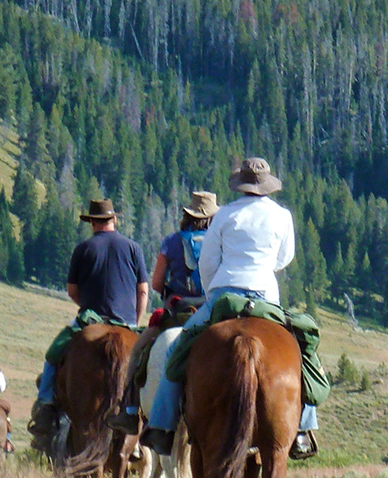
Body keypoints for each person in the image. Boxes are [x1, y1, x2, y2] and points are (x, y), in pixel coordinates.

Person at [140, 156, 318, 459]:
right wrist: (262, 267)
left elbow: (208, 262)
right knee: (303, 352)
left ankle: (161, 426)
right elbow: (284, 258)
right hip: (266, 295)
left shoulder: (224, 215)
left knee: (177, 350)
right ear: (267, 184)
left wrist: (214, 291)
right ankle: (302, 430)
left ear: (241, 184)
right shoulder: (282, 215)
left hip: (224, 292)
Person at [28, 199, 150, 451]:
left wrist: (86, 304)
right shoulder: (133, 248)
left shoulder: (83, 248)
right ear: (114, 220)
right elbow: (143, 291)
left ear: (92, 222)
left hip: (91, 319)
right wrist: (133, 322)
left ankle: (46, 407)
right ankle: (152, 421)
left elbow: (72, 289)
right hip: (127, 322)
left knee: (52, 356)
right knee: (149, 366)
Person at [108, 190, 218, 434]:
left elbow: (156, 283)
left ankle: (129, 411)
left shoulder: (171, 242)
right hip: (213, 310)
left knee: (138, 352)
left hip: (179, 312)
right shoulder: (219, 241)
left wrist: (170, 290)